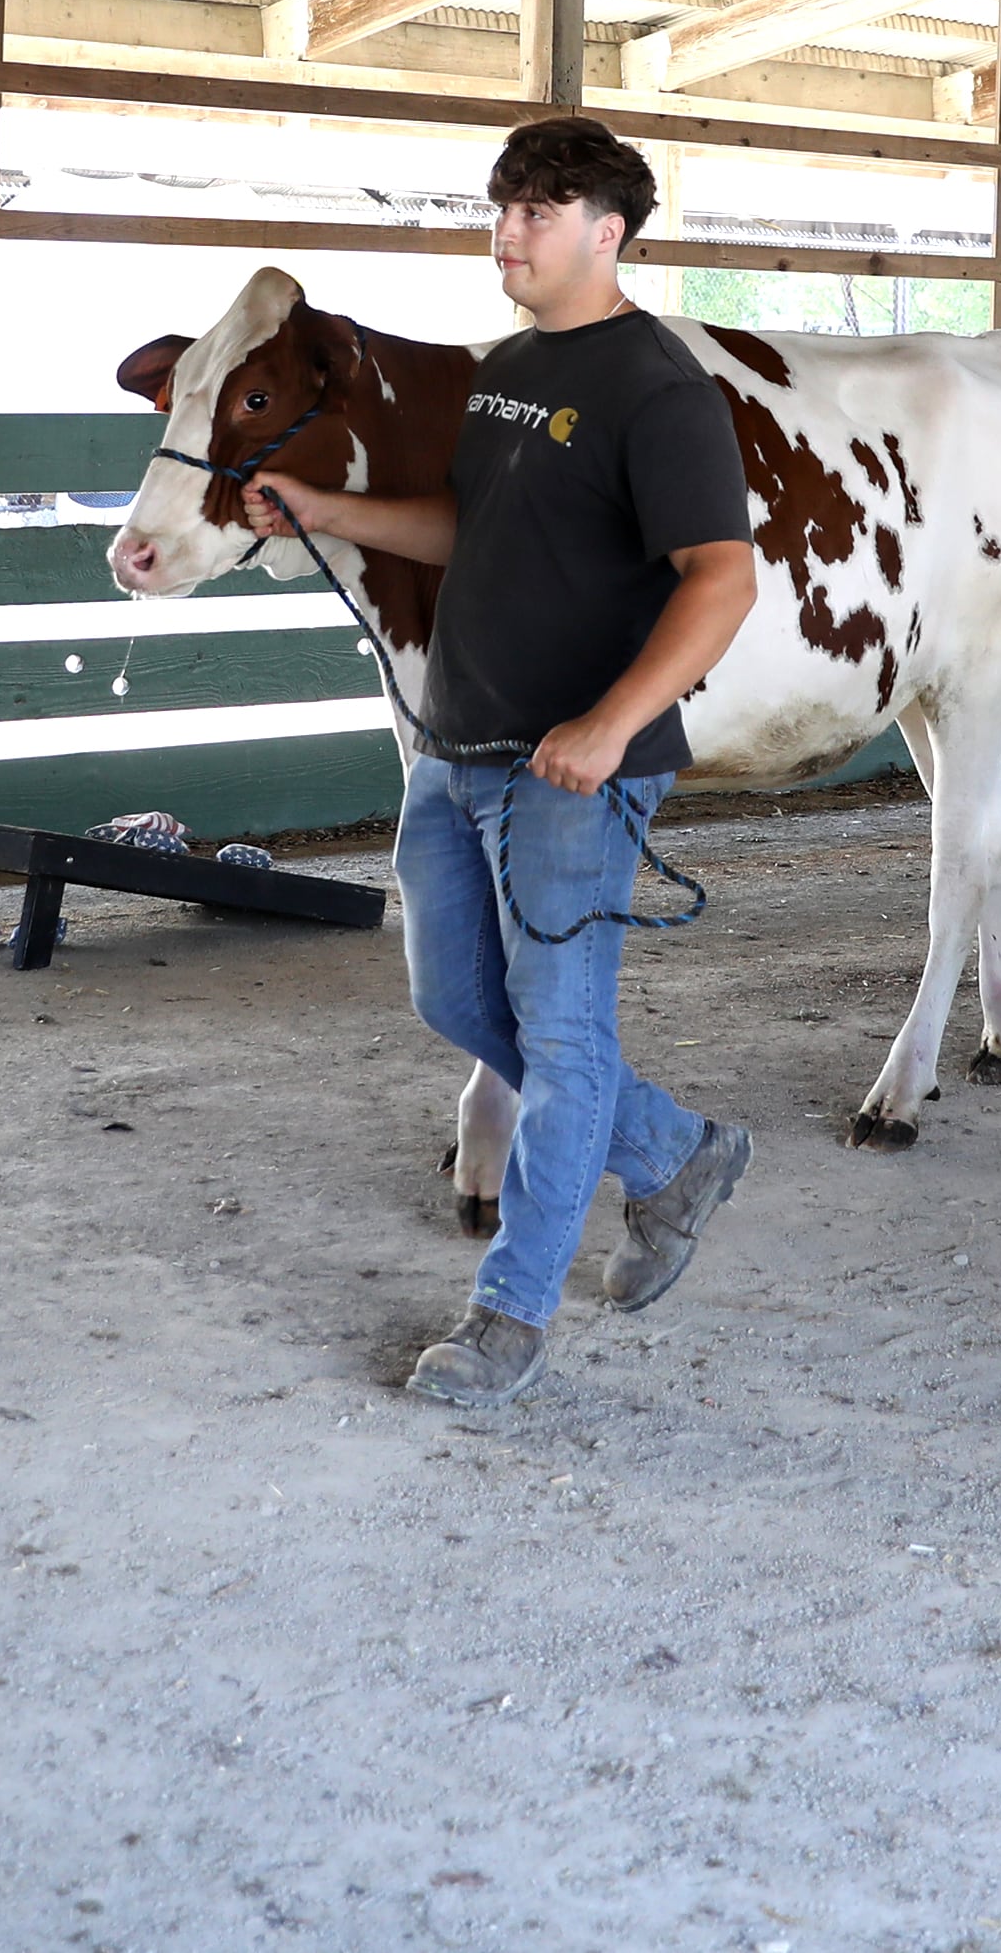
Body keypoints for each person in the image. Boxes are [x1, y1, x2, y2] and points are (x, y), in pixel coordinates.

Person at [241, 117, 761, 1410]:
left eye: (541, 208)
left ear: (609, 230)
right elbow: (465, 527)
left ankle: (509, 1315)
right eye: (503, 206)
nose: (510, 229)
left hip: (573, 768)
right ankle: (677, 1150)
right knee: (452, 998)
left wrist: (609, 723)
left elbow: (723, 580)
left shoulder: (661, 389)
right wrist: (325, 508)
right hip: (454, 739)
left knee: (563, 1036)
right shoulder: (508, 368)